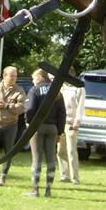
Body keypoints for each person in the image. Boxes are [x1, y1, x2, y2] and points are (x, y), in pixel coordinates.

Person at [25, 66, 67, 198]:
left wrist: (29, 123)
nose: (33, 81)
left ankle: (35, 189)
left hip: (37, 127)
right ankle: (48, 189)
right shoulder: (57, 92)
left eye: (33, 78)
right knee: (50, 158)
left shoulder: (34, 90)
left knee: (36, 158)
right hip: (53, 128)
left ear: (39, 77)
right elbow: (62, 114)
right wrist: (60, 132)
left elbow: (30, 109)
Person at [57, 66, 86, 185]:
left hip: (71, 122)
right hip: (61, 122)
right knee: (60, 151)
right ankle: (64, 175)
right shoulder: (61, 87)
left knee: (71, 151)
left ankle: (75, 178)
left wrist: (77, 121)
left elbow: (81, 105)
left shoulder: (79, 88)